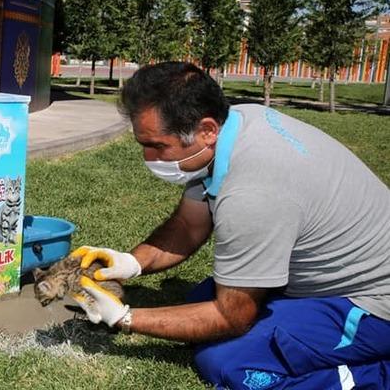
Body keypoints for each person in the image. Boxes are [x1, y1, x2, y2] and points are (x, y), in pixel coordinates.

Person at [72, 62, 390, 388]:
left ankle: (376, 376)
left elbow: (231, 316)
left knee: (226, 361)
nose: (149, 159)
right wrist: (131, 263)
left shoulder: (253, 193)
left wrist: (125, 318)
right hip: (321, 276)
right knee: (197, 303)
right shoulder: (239, 122)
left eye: (157, 146)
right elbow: (188, 224)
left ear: (207, 130)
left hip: (371, 304)